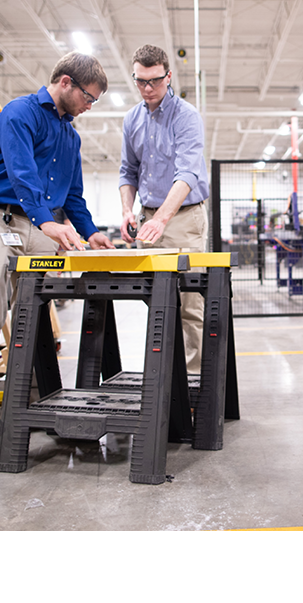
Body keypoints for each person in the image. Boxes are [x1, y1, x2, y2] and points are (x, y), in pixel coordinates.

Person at [0, 52, 114, 460]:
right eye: (88, 98)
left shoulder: (70, 136)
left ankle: (50, 403)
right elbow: (23, 175)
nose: (89, 107)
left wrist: (91, 233)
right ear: (64, 82)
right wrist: (49, 224)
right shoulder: (18, 113)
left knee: (63, 297)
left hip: (39, 224)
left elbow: (73, 195)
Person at [119, 44, 210, 374]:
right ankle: (165, 380)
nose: (147, 89)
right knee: (158, 304)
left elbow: (188, 173)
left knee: (189, 305)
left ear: (168, 76)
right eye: (140, 81)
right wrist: (128, 210)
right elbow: (127, 171)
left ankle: (194, 385)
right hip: (149, 220)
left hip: (183, 218)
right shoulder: (132, 119)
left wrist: (161, 219)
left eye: (154, 81)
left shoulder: (186, 117)